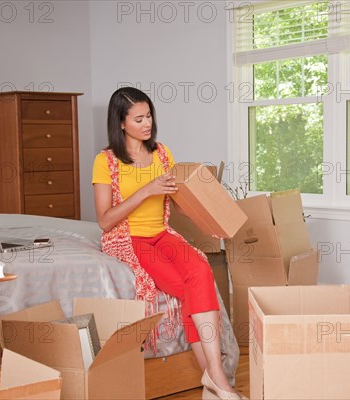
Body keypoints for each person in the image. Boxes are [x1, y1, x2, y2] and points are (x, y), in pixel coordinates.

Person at [92, 87, 245, 400]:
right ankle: (218, 382)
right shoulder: (105, 161)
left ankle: (213, 378)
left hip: (162, 234)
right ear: (121, 123)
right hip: (130, 238)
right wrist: (147, 189)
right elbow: (105, 220)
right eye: (138, 119)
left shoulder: (162, 153)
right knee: (185, 286)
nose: (147, 123)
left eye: (149, 116)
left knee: (200, 270)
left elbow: (177, 203)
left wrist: (208, 212)